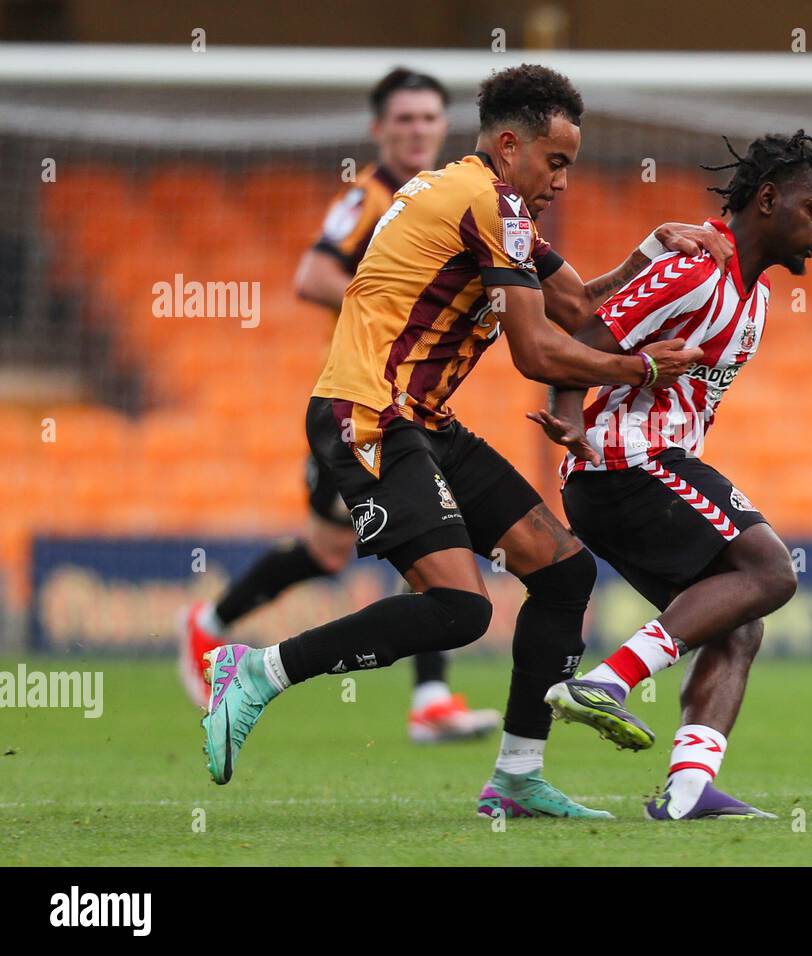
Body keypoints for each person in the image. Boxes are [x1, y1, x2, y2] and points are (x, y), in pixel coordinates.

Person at [198, 64, 731, 821]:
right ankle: (255, 672)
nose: (564, 182)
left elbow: (575, 302)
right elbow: (538, 353)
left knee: (564, 572)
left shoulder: (490, 199)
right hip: (371, 414)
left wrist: (647, 252)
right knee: (460, 608)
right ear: (510, 145)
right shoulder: (485, 200)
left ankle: (516, 778)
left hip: (425, 420)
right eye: (557, 161)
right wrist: (639, 367)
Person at [178, 67, 498, 743]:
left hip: (397, 403)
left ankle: (431, 696)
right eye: (403, 119)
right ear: (379, 130)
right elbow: (313, 274)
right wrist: (396, 299)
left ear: (444, 127)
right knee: (367, 542)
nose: (417, 130)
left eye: (428, 118)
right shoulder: (374, 194)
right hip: (359, 402)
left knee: (401, 534)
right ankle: (211, 627)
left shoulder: (441, 195)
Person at [536, 132, 812, 819]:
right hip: (626, 461)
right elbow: (578, 343)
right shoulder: (694, 270)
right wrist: (569, 419)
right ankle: (606, 683)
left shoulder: (754, 294)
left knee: (740, 621)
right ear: (767, 199)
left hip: (651, 465)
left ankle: (688, 790)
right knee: (772, 572)